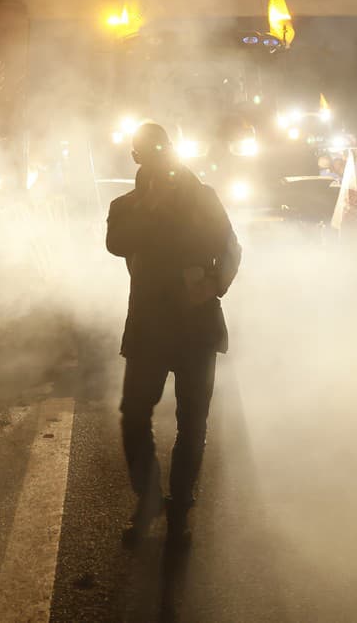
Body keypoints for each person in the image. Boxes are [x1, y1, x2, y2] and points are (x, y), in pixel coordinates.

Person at [106, 122, 242, 546]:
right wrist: (150, 205)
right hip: (148, 327)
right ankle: (148, 501)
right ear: (137, 158)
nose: (156, 158)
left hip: (196, 327)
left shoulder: (202, 198)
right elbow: (116, 244)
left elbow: (231, 247)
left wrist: (214, 283)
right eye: (148, 152)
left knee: (192, 424)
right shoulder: (127, 205)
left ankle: (180, 508)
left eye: (160, 149)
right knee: (134, 416)